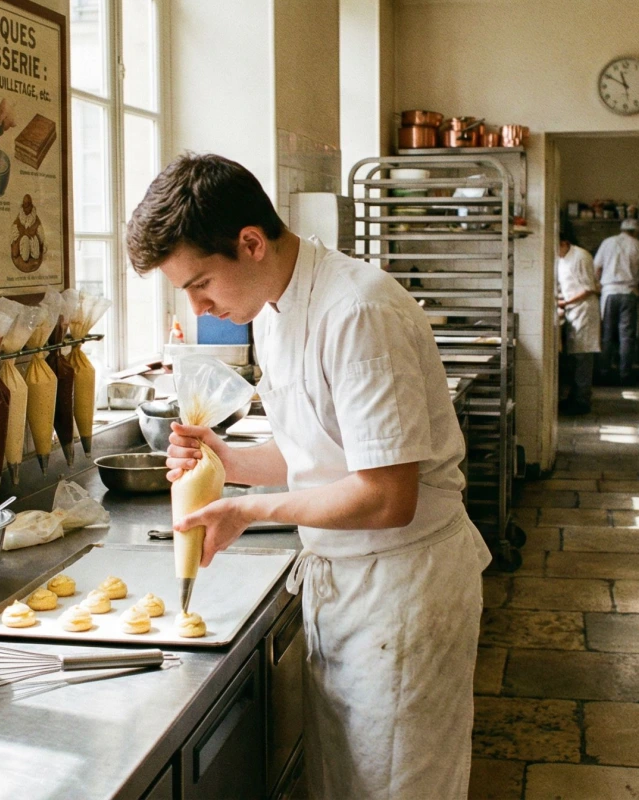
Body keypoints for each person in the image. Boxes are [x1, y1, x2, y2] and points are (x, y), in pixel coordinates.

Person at [126, 153, 489, 799]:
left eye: (201, 283)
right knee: (349, 783)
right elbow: (318, 452)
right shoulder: (273, 310)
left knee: (397, 788)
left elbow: (387, 496)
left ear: (251, 243)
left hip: (400, 587)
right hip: (348, 585)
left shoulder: (357, 312)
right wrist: (227, 463)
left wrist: (246, 511)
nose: (198, 305)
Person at [594, 218, 639, 384]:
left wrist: (599, 284)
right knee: (627, 336)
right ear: (636, 231)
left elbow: (596, 267)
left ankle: (604, 372)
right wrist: (638, 282)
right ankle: (625, 374)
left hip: (609, 293)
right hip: (629, 293)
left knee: (606, 335)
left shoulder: (607, 242)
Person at [556, 226, 600, 414]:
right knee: (576, 357)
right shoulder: (563, 258)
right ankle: (575, 397)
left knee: (583, 357)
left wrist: (565, 302)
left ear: (564, 243)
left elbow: (589, 288)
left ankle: (582, 401)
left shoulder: (581, 256)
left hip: (584, 311)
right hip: (573, 310)